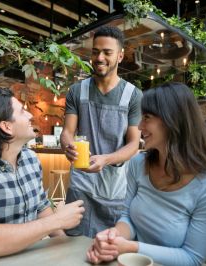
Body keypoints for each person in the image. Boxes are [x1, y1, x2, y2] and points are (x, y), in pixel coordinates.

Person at [87, 82, 206, 266]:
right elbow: (127, 216)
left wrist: (130, 247)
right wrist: (114, 237)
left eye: (146, 117)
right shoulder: (138, 164)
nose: (139, 126)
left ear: (172, 120)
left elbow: (192, 258)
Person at [0, 87, 85, 262]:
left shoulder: (30, 159)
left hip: (29, 259)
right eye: (22, 111)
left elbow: (42, 208)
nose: (30, 116)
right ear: (6, 127)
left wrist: (68, 251)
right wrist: (58, 220)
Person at [60, 25, 143, 237]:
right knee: (73, 246)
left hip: (114, 188)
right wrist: (68, 145)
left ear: (121, 56)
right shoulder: (77, 91)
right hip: (81, 184)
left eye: (107, 52)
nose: (100, 57)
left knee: (108, 247)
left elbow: (134, 144)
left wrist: (106, 159)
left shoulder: (133, 96)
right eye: (96, 51)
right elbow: (67, 132)